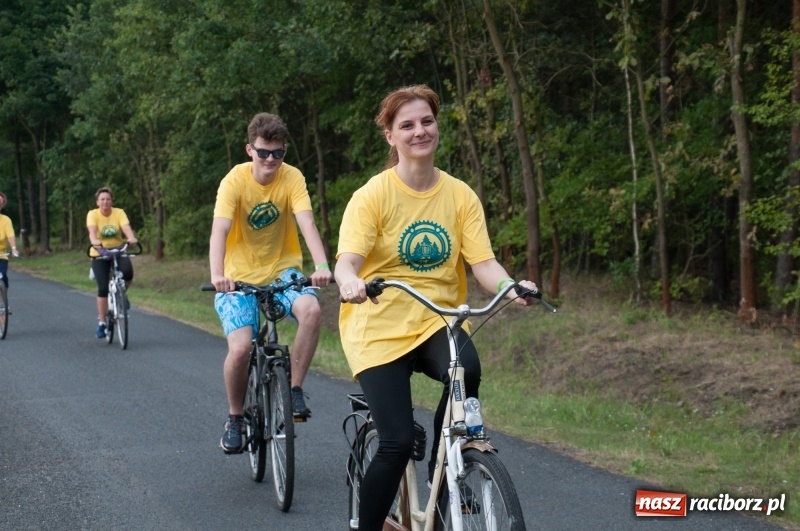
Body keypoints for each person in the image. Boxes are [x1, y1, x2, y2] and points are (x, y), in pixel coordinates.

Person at [334, 84, 540, 531]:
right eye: (406, 124)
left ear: (437, 125)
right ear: (390, 136)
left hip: (435, 320)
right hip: (377, 325)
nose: (419, 131)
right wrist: (350, 281)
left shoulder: (460, 195)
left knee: (467, 365)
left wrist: (508, 286)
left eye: (426, 121)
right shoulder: (372, 196)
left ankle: (445, 465)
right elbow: (347, 261)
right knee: (395, 441)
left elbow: (482, 262)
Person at [209, 112, 333, 454]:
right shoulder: (234, 181)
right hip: (238, 277)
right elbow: (219, 230)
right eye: (263, 152)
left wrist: (321, 264)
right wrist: (217, 274)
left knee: (310, 310)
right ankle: (235, 417)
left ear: (284, 152)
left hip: (282, 270)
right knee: (240, 349)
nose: (270, 160)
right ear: (250, 149)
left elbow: (306, 222)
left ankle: (293, 390)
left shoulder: (292, 178)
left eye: (277, 153)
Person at [87, 187, 139, 338]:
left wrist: (131, 237)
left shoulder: (119, 213)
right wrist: (95, 242)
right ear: (97, 202)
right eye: (102, 199)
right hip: (99, 253)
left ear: (112, 201)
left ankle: (121, 295)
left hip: (118, 250)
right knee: (103, 287)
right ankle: (102, 323)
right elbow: (92, 232)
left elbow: (126, 227)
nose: (105, 202)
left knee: (128, 273)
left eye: (108, 199)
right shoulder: (92, 214)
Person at [0, 192, 20, 299]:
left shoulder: (6, 220)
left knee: (3, 277)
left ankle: (4, 303)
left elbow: (10, 235)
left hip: (1, 255)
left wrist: (14, 249)